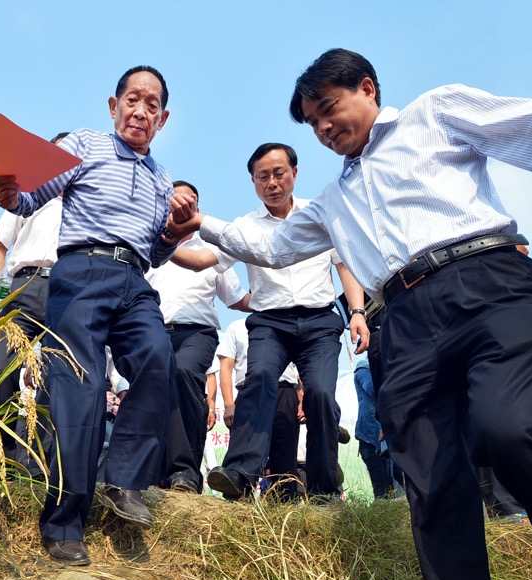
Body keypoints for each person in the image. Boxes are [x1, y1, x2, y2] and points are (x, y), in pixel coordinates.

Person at [167, 48, 532, 580]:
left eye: (329, 110)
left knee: (511, 426)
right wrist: (205, 227)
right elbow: (276, 249)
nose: (323, 129)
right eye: (312, 122)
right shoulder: (335, 199)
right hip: (402, 323)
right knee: (436, 492)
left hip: (488, 284)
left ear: (367, 88)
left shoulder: (437, 114)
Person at [0, 66, 182, 567]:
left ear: (163, 119)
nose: (141, 111)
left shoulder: (163, 178)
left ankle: (123, 479)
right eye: (132, 100)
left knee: (160, 358)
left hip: (136, 281)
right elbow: (32, 196)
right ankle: (63, 522)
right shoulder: (85, 145)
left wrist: (175, 234)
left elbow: (157, 252)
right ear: (113, 105)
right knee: (81, 389)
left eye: (152, 105)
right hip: (79, 273)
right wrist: (12, 195)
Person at [179, 142, 369, 501]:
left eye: (279, 174)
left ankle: (325, 488)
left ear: (295, 173)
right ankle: (239, 473)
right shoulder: (244, 227)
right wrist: (164, 245)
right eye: (263, 176)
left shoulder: (318, 214)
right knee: (260, 380)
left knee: (321, 395)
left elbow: (344, 265)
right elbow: (203, 260)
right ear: (253, 181)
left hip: (319, 322)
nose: (272, 183)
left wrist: (357, 312)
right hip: (269, 324)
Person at [145, 180, 250, 493]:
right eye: (175, 201)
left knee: (184, 373)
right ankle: (154, 474)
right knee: (154, 393)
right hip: (154, 331)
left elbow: (236, 298)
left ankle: (185, 473)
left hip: (198, 333)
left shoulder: (211, 250)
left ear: (197, 210)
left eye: (189, 203)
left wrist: (272, 298)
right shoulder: (150, 246)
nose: (181, 208)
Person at [0, 132, 70, 478]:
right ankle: (1, 459)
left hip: (67, 290)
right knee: (4, 370)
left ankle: (35, 465)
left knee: (54, 376)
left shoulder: (85, 201)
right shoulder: (29, 195)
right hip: (25, 284)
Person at [216, 318, 302, 499]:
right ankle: (238, 501)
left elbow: (304, 365)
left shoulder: (288, 322)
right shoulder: (236, 326)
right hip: (251, 391)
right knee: (245, 449)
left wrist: (302, 396)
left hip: (285, 391)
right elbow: (226, 366)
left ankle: (283, 505)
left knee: (285, 456)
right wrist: (229, 404)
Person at [352, 358, 388, 499]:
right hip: (371, 439)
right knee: (381, 490)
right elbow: (373, 389)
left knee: (398, 486)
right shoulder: (364, 368)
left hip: (391, 437)